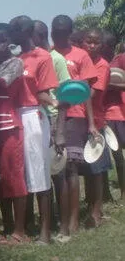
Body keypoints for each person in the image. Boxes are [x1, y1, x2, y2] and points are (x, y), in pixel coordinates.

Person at [9, 16, 58, 244]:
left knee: (39, 174)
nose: (9, 35)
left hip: (33, 117)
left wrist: (57, 104)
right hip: (15, 117)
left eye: (12, 31)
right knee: (22, 173)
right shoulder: (16, 59)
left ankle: (45, 231)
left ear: (23, 31)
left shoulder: (43, 57)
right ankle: (24, 228)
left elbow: (43, 92)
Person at [51, 14, 99, 238]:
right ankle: (58, 218)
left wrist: (91, 123)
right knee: (56, 170)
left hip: (75, 117)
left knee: (71, 169)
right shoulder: (48, 55)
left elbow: (87, 92)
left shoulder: (81, 56)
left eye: (62, 32)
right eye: (55, 31)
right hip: (52, 116)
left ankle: (73, 221)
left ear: (70, 33)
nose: (58, 35)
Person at [0, 23, 29, 244]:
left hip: (9, 126)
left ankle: (20, 231)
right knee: (1, 179)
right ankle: (6, 227)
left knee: (15, 178)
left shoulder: (15, 62)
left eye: (3, 40)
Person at [33, 19, 71, 230]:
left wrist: (60, 133)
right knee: (43, 172)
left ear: (38, 36)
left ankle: (64, 227)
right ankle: (48, 221)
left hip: (55, 119)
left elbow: (65, 98)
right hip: (39, 120)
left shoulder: (56, 60)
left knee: (58, 174)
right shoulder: (37, 58)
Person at [81, 28, 112, 228]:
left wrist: (73, 94)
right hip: (79, 120)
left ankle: (96, 211)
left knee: (97, 169)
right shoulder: (81, 61)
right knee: (86, 167)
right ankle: (89, 204)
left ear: (102, 45)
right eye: (88, 41)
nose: (92, 46)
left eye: (96, 42)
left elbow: (93, 94)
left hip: (96, 122)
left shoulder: (102, 65)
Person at [104, 33, 125, 200]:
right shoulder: (97, 62)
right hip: (105, 113)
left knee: (118, 154)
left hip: (117, 112)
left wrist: (108, 85)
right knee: (115, 153)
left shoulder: (119, 60)